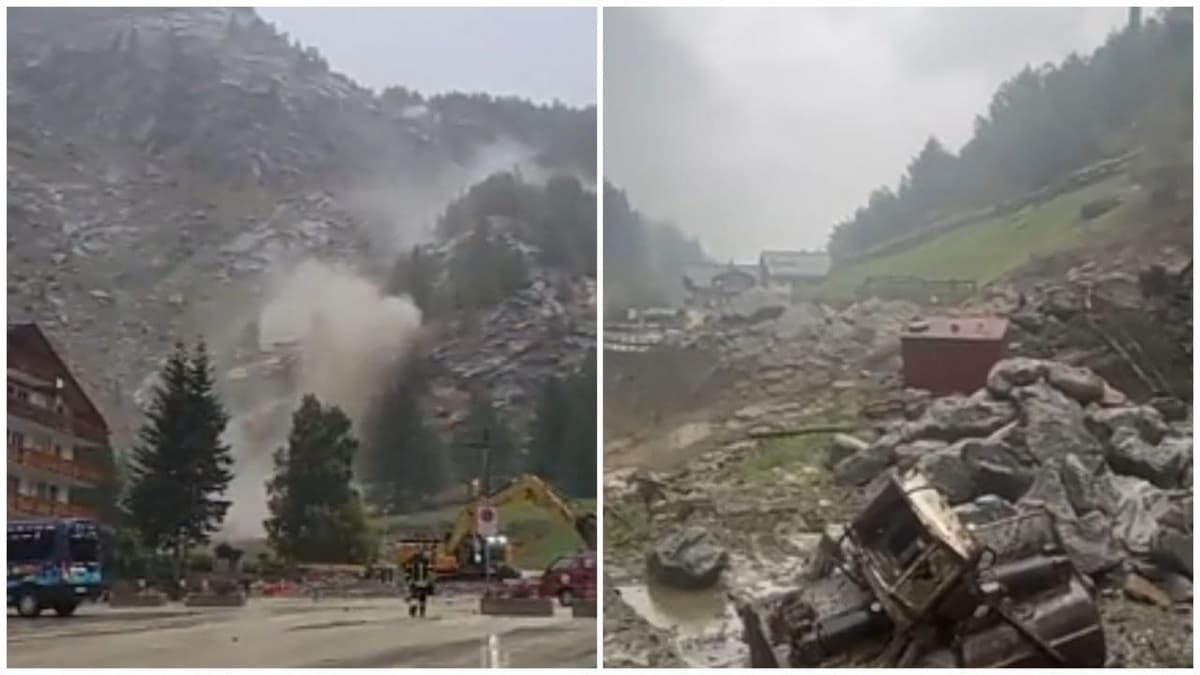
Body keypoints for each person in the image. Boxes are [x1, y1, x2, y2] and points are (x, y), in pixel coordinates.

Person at [406, 549, 433, 618]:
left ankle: (414, 612)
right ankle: (420, 612)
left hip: (417, 582)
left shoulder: (413, 562)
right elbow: (430, 573)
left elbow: (408, 572)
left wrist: (408, 580)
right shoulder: (425, 563)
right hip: (421, 583)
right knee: (420, 598)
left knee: (416, 598)